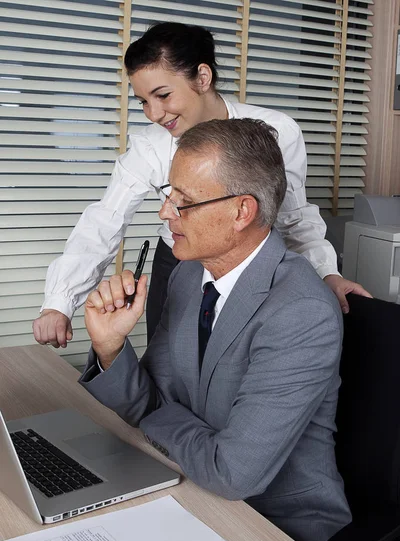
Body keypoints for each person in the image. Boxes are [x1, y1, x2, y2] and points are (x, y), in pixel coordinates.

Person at [79, 118, 351, 541]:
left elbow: (232, 473)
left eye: (183, 202)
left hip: (278, 532)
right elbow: (150, 402)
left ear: (242, 211)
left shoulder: (301, 311)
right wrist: (110, 347)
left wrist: (154, 415)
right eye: (169, 195)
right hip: (190, 491)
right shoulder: (190, 275)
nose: (166, 213)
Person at [32, 21, 370, 349]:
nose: (153, 113)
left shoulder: (276, 130)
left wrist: (327, 273)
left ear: (203, 77)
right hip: (180, 265)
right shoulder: (150, 146)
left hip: (251, 265)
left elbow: (294, 218)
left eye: (162, 95)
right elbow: (104, 222)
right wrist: (59, 302)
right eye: (144, 102)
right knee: (166, 370)